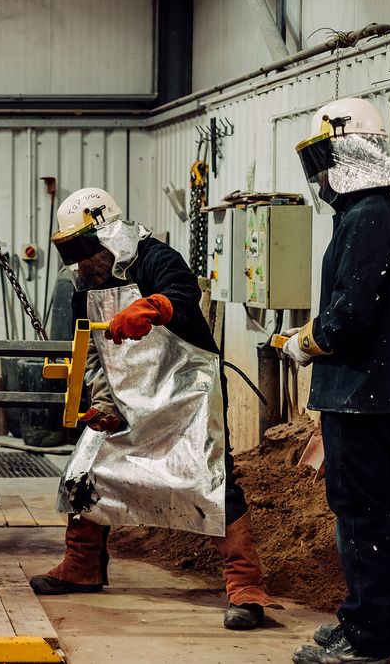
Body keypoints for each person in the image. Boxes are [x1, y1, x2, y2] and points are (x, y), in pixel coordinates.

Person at [30, 187, 277, 630]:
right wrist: (103, 402)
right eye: (75, 252)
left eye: (87, 249)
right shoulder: (85, 288)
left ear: (111, 234)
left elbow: (182, 294)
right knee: (86, 468)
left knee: (211, 477)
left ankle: (246, 586)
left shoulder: (156, 258)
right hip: (128, 396)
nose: (83, 262)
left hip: (185, 393)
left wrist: (153, 305)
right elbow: (92, 354)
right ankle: (82, 566)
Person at [283, 98, 390, 664]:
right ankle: (365, 620)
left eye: (323, 157)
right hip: (365, 392)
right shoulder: (366, 214)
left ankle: (370, 638)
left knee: (362, 514)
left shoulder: (369, 214)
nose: (319, 174)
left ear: (347, 150)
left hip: (361, 395)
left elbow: (352, 312)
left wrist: (306, 342)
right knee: (369, 513)